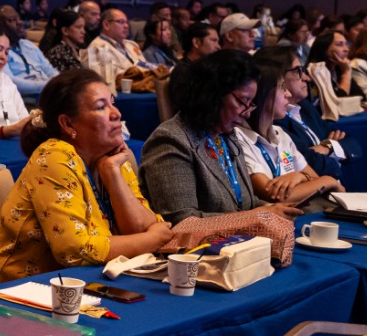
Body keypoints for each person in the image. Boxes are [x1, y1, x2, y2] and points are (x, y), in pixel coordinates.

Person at [0, 69, 173, 279]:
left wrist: (111, 173)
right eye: (101, 107)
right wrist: (151, 240)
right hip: (22, 290)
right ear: (67, 124)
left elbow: (145, 226)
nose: (117, 114)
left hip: (89, 280)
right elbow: (74, 251)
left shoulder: (113, 158)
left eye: (113, 103)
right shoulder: (54, 157)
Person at [139, 51, 301, 224]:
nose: (246, 114)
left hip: (239, 244)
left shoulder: (226, 136)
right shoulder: (171, 140)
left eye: (251, 104)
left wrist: (275, 210)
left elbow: (246, 203)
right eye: (241, 102)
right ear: (213, 93)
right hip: (197, 250)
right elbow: (181, 222)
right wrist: (257, 216)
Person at [233, 62, 344, 206]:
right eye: (282, 88)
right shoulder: (238, 138)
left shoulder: (281, 134)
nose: (288, 94)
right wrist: (329, 181)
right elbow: (274, 195)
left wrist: (300, 177)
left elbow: (314, 180)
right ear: (261, 94)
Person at [254, 46, 355, 180]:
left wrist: (327, 146)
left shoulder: (305, 107)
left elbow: (353, 146)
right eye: (298, 71)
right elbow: (319, 165)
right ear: (275, 75)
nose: (307, 78)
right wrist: (332, 148)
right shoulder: (272, 119)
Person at [85, 7, 145, 76]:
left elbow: (146, 66)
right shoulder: (96, 48)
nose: (126, 26)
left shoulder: (132, 45)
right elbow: (108, 80)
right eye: (121, 22)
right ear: (106, 25)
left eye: (126, 22)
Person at [308, 28, 353, 100]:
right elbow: (338, 101)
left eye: (346, 44)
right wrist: (346, 73)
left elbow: (359, 93)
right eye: (340, 44)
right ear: (324, 48)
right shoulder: (316, 71)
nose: (346, 49)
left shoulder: (339, 67)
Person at [43, 8, 87, 73]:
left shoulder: (80, 50)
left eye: (83, 27)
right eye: (78, 27)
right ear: (65, 31)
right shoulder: (57, 54)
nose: (83, 32)